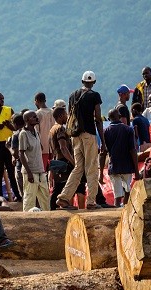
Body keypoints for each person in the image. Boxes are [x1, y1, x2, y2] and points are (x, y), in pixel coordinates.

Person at [57, 71, 106, 210]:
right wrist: (102, 140)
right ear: (94, 82)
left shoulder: (73, 95)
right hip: (88, 135)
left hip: (75, 136)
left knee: (78, 168)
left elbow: (70, 115)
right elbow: (98, 118)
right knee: (91, 168)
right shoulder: (95, 96)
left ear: (82, 81)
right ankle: (91, 202)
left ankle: (64, 198)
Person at [101, 109, 139, 207]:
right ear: (119, 116)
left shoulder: (106, 131)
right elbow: (133, 150)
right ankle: (125, 210)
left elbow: (103, 153)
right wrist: (137, 170)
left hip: (113, 166)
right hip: (127, 166)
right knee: (127, 191)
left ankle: (117, 213)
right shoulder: (128, 129)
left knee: (117, 196)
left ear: (109, 118)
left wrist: (101, 173)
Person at [16, 110, 49, 211]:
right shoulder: (23, 134)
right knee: (29, 199)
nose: (36, 118)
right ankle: (26, 221)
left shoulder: (36, 132)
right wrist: (29, 172)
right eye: (33, 117)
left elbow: (40, 148)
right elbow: (21, 154)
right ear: (26, 120)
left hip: (40, 170)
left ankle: (48, 219)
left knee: (45, 198)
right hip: (30, 172)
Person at [34, 93, 55, 168]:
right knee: (53, 169)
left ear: (36, 101)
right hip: (53, 146)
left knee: (43, 168)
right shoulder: (53, 112)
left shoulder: (37, 114)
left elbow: (36, 132)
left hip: (42, 147)